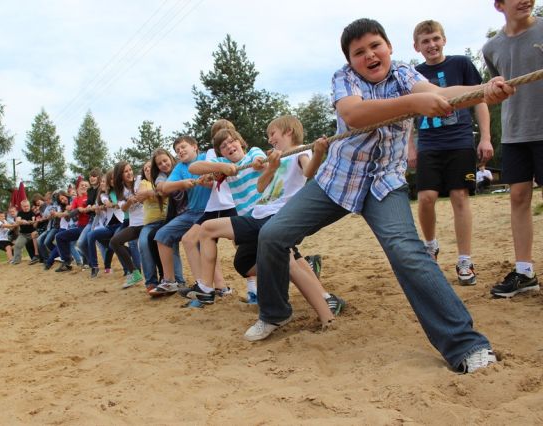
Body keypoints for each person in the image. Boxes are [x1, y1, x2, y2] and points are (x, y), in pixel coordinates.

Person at [247, 18, 513, 373]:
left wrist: (483, 90)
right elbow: (355, 114)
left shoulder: (404, 74)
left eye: (376, 46)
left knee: (407, 251)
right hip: (336, 181)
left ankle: (466, 345)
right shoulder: (343, 79)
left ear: (389, 47)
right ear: (350, 60)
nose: (369, 55)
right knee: (272, 235)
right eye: (359, 52)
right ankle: (274, 312)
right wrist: (416, 104)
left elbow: (437, 93)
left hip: (384, 184)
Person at [187, 122, 341, 328]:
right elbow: (194, 167)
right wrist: (222, 167)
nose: (229, 146)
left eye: (232, 142)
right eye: (223, 146)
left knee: (289, 261)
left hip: (272, 217)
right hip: (257, 215)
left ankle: (326, 307)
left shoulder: (256, 154)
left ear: (241, 142)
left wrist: (265, 164)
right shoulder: (227, 164)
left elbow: (307, 172)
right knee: (244, 262)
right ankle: (206, 288)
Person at [410, 19, 494, 286]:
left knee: (459, 196)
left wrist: (486, 138)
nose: (431, 44)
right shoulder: (414, 74)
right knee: (426, 197)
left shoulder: (461, 64)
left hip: (459, 141)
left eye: (435, 38)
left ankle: (464, 261)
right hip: (429, 144)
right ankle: (431, 246)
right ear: (417, 47)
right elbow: (406, 114)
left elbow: (480, 99)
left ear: (443, 39)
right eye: (425, 41)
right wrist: (410, 146)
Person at [483, 0, 541, 297]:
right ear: (499, 5)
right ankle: (525, 272)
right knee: (518, 197)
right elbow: (494, 95)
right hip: (515, 132)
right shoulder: (491, 47)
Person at [180, 119, 238, 295]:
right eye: (218, 135)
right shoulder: (213, 153)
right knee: (190, 239)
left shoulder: (241, 151)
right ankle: (206, 286)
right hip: (215, 206)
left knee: (242, 246)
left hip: (233, 203)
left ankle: (253, 288)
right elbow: (208, 173)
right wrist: (209, 177)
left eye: (227, 133)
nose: (224, 139)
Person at [149, 136, 211, 296]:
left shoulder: (207, 157)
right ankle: (169, 281)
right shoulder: (180, 168)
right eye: (177, 150)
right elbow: (165, 187)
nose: (180, 151)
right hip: (191, 213)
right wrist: (182, 184)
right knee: (161, 235)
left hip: (210, 211)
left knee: (196, 243)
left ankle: (209, 285)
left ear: (195, 147)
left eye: (183, 147)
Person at [138, 149, 185, 294]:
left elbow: (163, 191)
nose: (164, 165)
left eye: (165, 161)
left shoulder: (179, 169)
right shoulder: (155, 179)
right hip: (163, 218)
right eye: (159, 163)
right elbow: (159, 188)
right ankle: (157, 280)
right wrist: (153, 191)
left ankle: (178, 280)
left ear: (171, 158)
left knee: (166, 238)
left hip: (178, 214)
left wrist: (153, 192)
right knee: (150, 239)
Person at [109, 162, 145, 288]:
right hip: (135, 225)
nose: (130, 173)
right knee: (114, 242)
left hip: (147, 221)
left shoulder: (140, 180)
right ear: (120, 175)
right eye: (126, 171)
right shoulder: (120, 190)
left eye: (130, 170)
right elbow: (123, 209)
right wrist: (129, 201)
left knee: (146, 248)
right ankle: (134, 272)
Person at [55, 180, 90, 272]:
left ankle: (87, 262)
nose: (83, 187)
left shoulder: (90, 197)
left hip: (90, 225)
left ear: (89, 188)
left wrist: (73, 212)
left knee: (83, 242)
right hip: (80, 227)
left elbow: (78, 211)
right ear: (78, 188)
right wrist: (69, 212)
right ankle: (67, 261)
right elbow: (72, 213)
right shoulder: (76, 200)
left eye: (86, 185)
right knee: (59, 237)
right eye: (82, 185)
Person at [10, 199, 38, 265]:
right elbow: (17, 220)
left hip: (32, 233)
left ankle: (39, 258)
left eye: (27, 206)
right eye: (24, 206)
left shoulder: (32, 212)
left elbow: (34, 220)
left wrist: (31, 222)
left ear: (29, 205)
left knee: (34, 245)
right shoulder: (20, 213)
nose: (26, 207)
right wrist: (22, 221)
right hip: (23, 234)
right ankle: (16, 261)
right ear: (21, 207)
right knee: (17, 245)